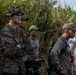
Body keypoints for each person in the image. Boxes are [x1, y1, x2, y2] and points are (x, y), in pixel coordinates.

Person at [0, 5, 28, 75]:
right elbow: (10, 51)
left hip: (20, 69)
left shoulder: (19, 32)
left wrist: (19, 46)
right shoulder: (6, 31)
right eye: (17, 14)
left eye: (20, 15)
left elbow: (29, 47)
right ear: (10, 16)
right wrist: (22, 47)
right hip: (8, 70)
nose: (20, 17)